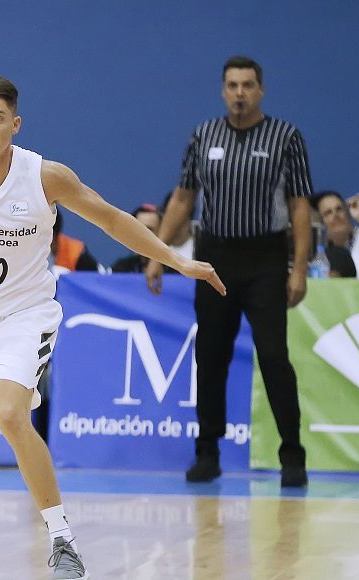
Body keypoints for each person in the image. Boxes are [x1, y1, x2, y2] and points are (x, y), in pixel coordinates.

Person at [0, 75, 224, 580]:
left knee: (11, 415)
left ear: (15, 124)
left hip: (24, 314)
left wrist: (176, 260)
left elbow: (111, 219)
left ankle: (62, 540)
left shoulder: (44, 176)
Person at [145, 56, 313, 488]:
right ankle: (208, 452)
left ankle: (292, 455)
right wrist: (158, 253)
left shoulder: (286, 137)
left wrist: (299, 268)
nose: (240, 93)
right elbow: (183, 198)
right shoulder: (203, 135)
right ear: (223, 90)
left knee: (273, 355)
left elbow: (299, 206)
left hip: (265, 259)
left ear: (261, 90)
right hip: (215, 256)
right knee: (211, 355)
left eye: (248, 85)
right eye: (233, 85)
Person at [111, 204, 162, 272]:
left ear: (161, 233)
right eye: (138, 229)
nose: (143, 235)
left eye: (149, 230)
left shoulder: (174, 269)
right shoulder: (121, 268)